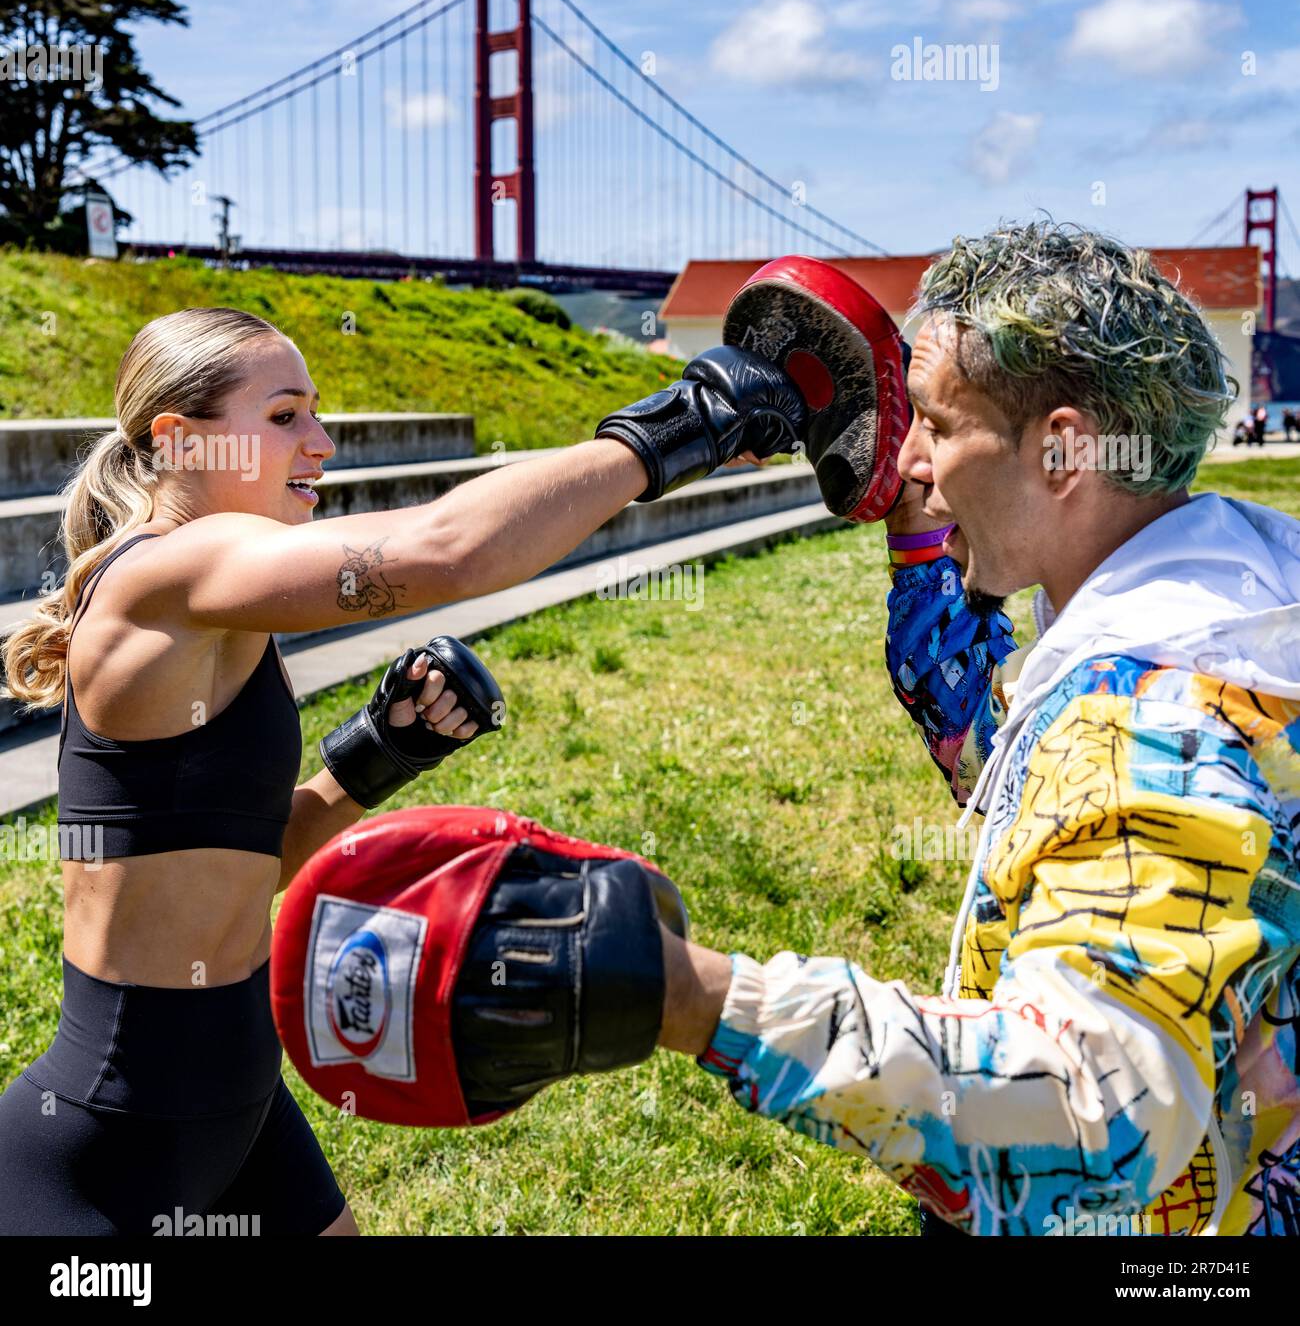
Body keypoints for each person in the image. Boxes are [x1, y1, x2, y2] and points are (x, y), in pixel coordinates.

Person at [335, 223, 1299, 1236]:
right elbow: (998, 756)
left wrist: (692, 996)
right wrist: (907, 517)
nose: (913, 461)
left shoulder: (1158, 719)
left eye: (932, 425)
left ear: (1061, 448)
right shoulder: (1214, 593)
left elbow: (1083, 1116)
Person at [0, 306, 804, 1235]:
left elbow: (238, 868)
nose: (323, 443)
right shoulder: (161, 579)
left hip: (239, 1104)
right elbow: (449, 550)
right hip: (107, 1143)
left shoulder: (220, 608)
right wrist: (684, 423)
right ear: (182, 443)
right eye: (286, 417)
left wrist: (376, 754)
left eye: (316, 415)